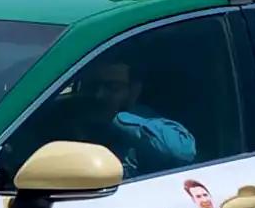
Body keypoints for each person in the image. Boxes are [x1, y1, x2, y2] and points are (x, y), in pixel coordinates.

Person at [67, 57, 196, 177]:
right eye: (93, 86)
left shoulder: (144, 122)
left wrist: (117, 118)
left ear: (134, 90)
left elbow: (183, 151)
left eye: (113, 88)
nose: (99, 95)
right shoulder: (74, 116)